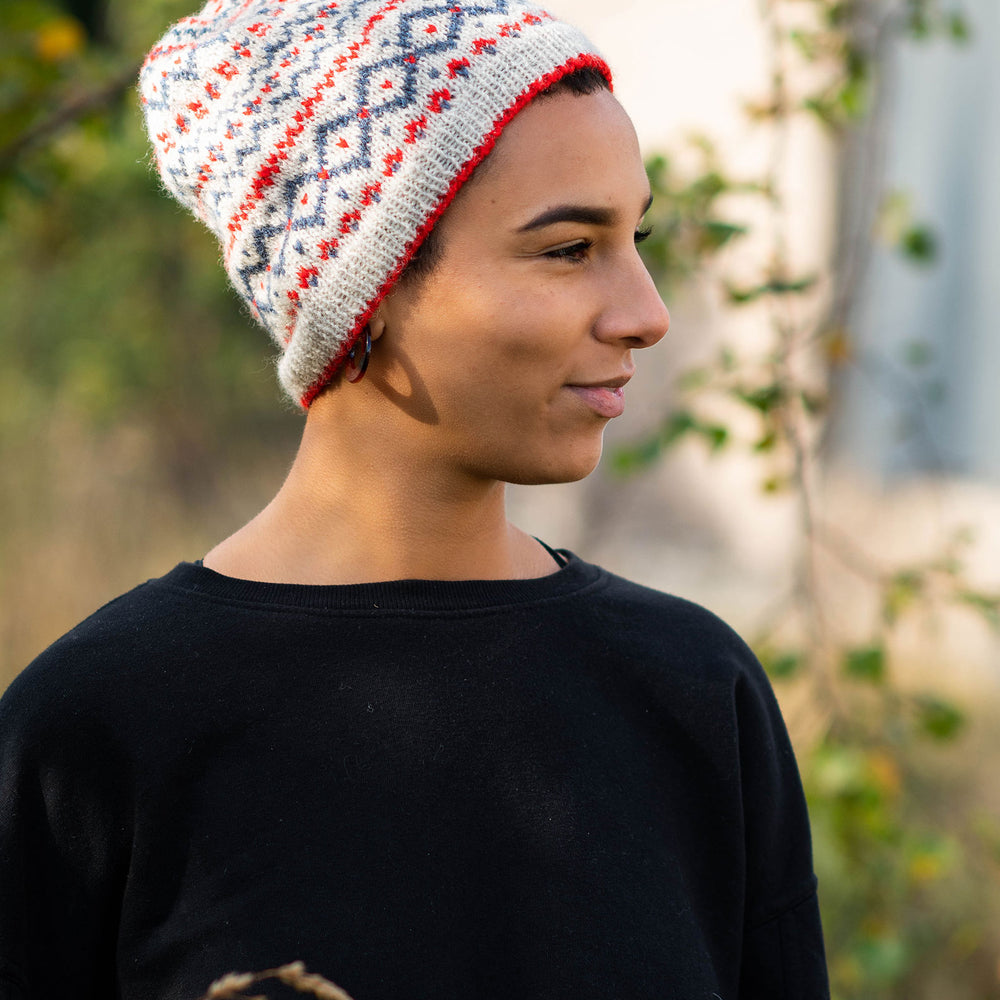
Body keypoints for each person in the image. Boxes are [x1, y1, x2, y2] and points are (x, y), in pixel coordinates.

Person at [0, 1, 830, 998]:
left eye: (635, 236)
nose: (646, 313)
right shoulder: (94, 728)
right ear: (369, 285)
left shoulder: (693, 693)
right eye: (569, 248)